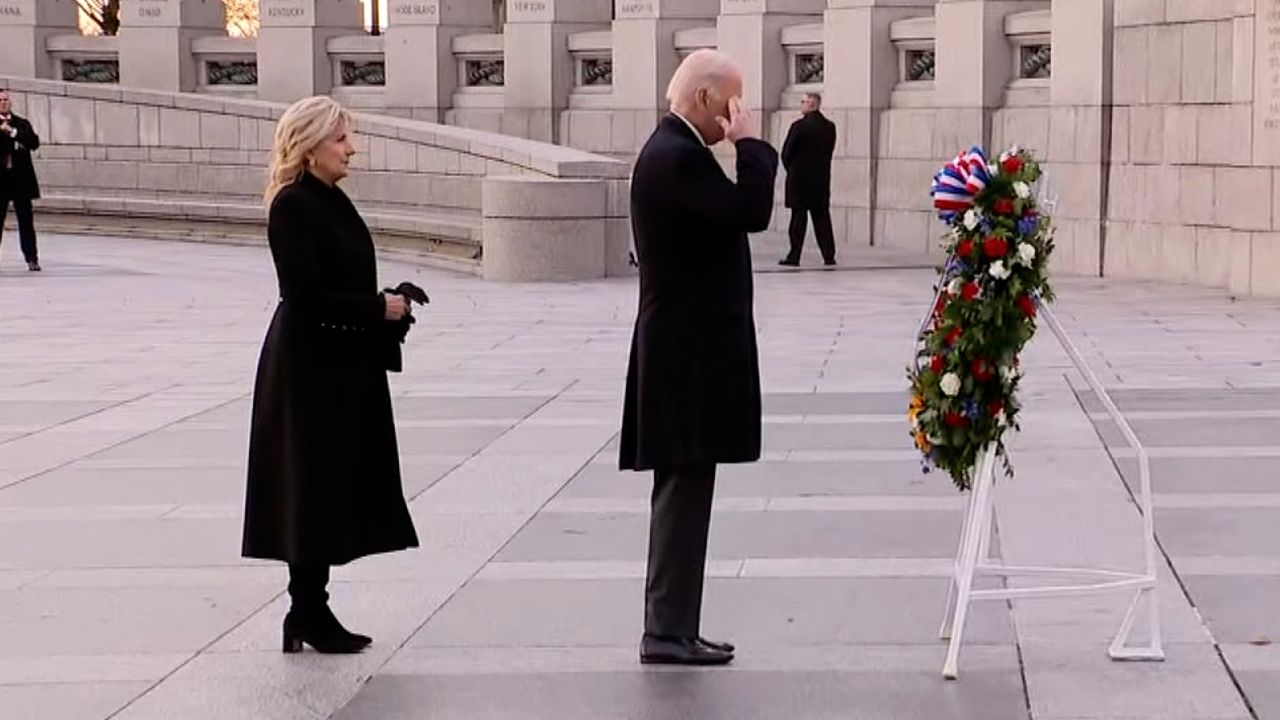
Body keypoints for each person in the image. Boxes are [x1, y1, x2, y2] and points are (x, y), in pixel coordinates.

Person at [242, 96, 420, 654]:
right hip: (308, 372)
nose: (352, 148)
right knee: (309, 487)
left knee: (326, 486)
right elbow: (304, 295)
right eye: (341, 139)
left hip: (336, 364)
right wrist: (377, 309)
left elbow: (335, 284)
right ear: (309, 145)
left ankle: (309, 611)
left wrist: (388, 306)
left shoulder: (328, 199)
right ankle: (307, 612)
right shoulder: (293, 205)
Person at [620, 49, 779, 666]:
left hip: (686, 351)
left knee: (687, 489)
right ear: (708, 100)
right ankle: (665, 632)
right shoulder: (678, 156)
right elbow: (751, 213)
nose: (736, 116)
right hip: (684, 356)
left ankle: (676, 626)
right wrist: (752, 145)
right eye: (734, 104)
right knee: (683, 491)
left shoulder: (675, 152)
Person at [778, 92, 837, 267]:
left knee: (798, 219)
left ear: (812, 104)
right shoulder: (829, 127)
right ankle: (829, 255)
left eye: (803, 102)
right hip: (821, 180)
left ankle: (794, 255)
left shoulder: (799, 126)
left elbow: (786, 153)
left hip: (800, 181)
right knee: (822, 219)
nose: (801, 105)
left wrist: (793, 170)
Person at [0, 88, 42, 272]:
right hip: (0, 181)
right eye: (0, 100)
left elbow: (33, 142)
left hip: (20, 181)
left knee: (26, 220)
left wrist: (13, 132)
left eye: (6, 99)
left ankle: (31, 257)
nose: (4, 102)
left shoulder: (21, 124)